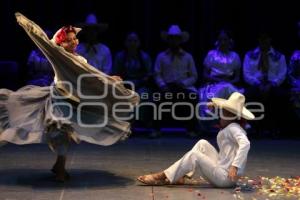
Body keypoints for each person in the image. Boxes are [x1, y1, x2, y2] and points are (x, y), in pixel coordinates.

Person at [0, 13, 139, 182]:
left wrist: (110, 80)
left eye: (75, 39)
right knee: (58, 130)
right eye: (68, 40)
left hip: (75, 100)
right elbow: (42, 40)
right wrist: (27, 25)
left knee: (68, 134)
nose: (73, 42)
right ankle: (60, 170)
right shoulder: (59, 56)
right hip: (59, 99)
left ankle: (59, 165)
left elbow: (91, 75)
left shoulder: (80, 59)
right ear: (60, 44)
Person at [137, 92, 254, 187]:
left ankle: (163, 176)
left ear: (231, 115)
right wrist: (216, 106)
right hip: (222, 169)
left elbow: (245, 143)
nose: (221, 114)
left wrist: (235, 166)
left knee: (195, 155)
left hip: (226, 177)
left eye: (225, 111)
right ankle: (182, 176)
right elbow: (224, 115)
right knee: (202, 143)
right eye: (223, 110)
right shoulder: (230, 124)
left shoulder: (233, 128)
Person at [152, 24, 198, 138]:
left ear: (180, 40)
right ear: (168, 40)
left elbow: (194, 76)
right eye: (171, 38)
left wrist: (184, 83)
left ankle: (191, 129)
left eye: (176, 38)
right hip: (167, 86)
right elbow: (157, 74)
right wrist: (162, 85)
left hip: (182, 86)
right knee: (156, 97)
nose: (174, 41)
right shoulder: (161, 56)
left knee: (193, 97)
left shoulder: (187, 56)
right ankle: (156, 129)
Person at [198, 30, 243, 133]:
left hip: (229, 83)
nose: (223, 42)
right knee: (213, 93)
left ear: (229, 41)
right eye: (220, 40)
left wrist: (227, 80)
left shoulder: (235, 56)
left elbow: (237, 77)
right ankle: (209, 123)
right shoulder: (211, 54)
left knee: (230, 90)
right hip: (213, 83)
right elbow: (205, 74)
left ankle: (238, 123)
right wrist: (218, 79)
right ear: (217, 41)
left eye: (225, 40)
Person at [243, 32, 287, 135]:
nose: (264, 41)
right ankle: (254, 127)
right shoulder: (250, 55)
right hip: (256, 84)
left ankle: (274, 127)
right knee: (249, 95)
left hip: (272, 84)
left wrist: (272, 84)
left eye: (266, 38)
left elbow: (282, 74)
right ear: (258, 40)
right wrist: (258, 83)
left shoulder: (279, 56)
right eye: (261, 38)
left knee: (279, 96)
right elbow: (246, 74)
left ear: (270, 39)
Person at [113, 32, 153, 129]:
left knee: (143, 95)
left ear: (138, 43)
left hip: (140, 85)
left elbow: (149, 74)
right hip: (124, 85)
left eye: (135, 41)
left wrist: (139, 82)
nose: (132, 43)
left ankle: (140, 123)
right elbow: (115, 74)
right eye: (130, 41)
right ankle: (124, 124)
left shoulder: (144, 57)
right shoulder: (120, 57)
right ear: (126, 43)